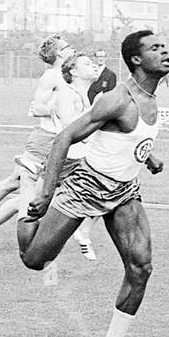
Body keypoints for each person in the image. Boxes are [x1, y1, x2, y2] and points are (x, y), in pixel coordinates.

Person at [17, 30, 169, 337]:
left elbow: (127, 137)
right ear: (135, 59)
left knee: (141, 267)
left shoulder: (152, 98)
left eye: (165, 47)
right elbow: (66, 136)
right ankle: (25, 198)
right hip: (86, 187)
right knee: (34, 259)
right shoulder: (118, 99)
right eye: (155, 49)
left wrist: (148, 158)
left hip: (124, 191)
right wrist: (44, 192)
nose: (165, 53)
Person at [0, 35, 73, 260]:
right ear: (60, 54)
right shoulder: (51, 76)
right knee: (18, 185)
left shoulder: (69, 75)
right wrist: (59, 108)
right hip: (45, 140)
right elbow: (36, 108)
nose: (72, 48)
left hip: (62, 142)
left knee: (28, 192)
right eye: (67, 47)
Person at [54, 52, 105, 261]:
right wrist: (95, 110)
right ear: (73, 71)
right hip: (65, 160)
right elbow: (68, 126)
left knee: (107, 192)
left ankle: (83, 233)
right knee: (32, 202)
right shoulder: (67, 93)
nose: (93, 66)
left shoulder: (85, 95)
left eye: (93, 63)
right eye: (86, 63)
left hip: (82, 159)